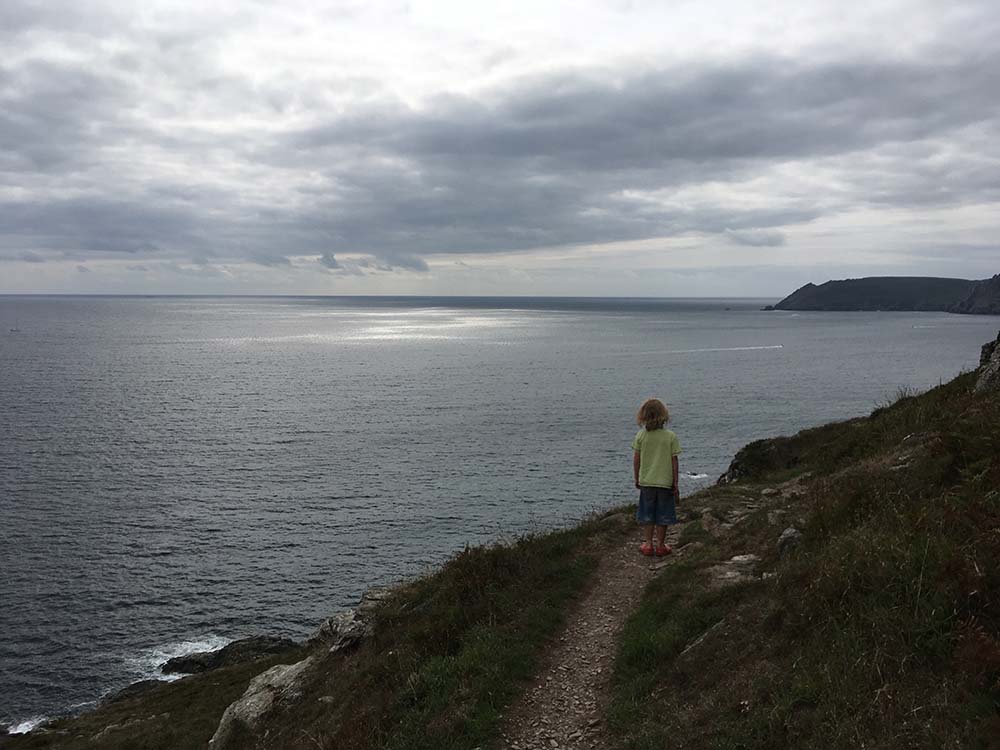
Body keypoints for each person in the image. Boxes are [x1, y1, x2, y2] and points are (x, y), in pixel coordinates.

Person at [631, 398, 681, 556]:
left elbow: (636, 459)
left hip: (647, 481)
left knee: (647, 513)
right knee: (663, 514)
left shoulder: (641, 436)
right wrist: (675, 482)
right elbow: (674, 461)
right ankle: (660, 545)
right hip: (665, 483)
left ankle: (647, 544)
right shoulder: (670, 436)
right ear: (664, 416)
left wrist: (637, 477)